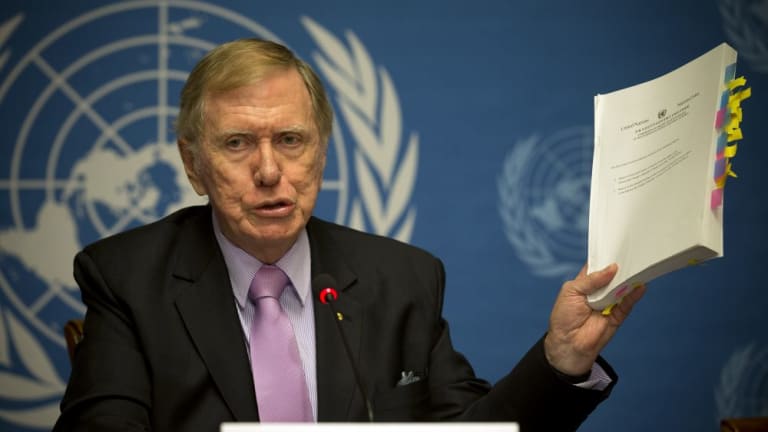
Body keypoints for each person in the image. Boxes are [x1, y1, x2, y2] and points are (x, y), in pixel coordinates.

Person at [53, 39, 644, 432]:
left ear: (322, 152)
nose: (269, 171)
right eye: (237, 144)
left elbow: (472, 430)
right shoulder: (128, 279)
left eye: (291, 140)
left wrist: (560, 360)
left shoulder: (401, 279)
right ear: (193, 165)